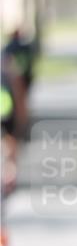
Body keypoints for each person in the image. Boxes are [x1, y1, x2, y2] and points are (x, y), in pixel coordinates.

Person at [1, 49, 28, 199]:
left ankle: (8, 175)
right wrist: (22, 117)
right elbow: (19, 94)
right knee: (10, 144)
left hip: (5, 110)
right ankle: (10, 175)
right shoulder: (9, 69)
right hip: (7, 111)